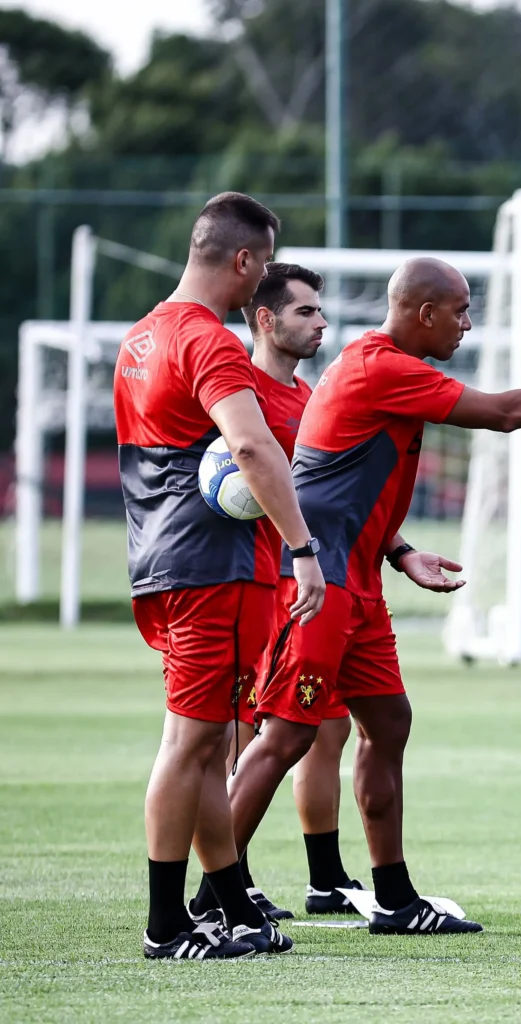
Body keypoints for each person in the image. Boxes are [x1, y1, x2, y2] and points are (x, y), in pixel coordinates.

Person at [226, 257, 521, 934]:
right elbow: (506, 414)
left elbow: (349, 481)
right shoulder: (380, 366)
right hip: (319, 583)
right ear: (424, 314)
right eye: (460, 311)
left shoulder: (384, 367)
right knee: (288, 735)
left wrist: (399, 550)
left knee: (388, 725)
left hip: (358, 580)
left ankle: (394, 900)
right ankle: (214, 898)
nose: (467, 323)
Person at [116, 192, 321, 959]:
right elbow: (251, 448)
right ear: (243, 261)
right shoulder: (209, 340)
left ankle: (229, 903)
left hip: (156, 559)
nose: (261, 280)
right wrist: (303, 550)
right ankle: (165, 926)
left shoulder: (142, 335)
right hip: (210, 567)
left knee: (202, 744)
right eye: (263, 265)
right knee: (191, 742)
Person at [185, 263, 365, 925]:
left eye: (320, 312)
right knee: (242, 730)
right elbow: (228, 474)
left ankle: (323, 878)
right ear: (265, 318)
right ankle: (228, 884)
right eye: (306, 312)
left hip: (312, 583)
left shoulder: (311, 396)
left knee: (327, 725)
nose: (321, 323)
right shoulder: (237, 391)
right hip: (260, 583)